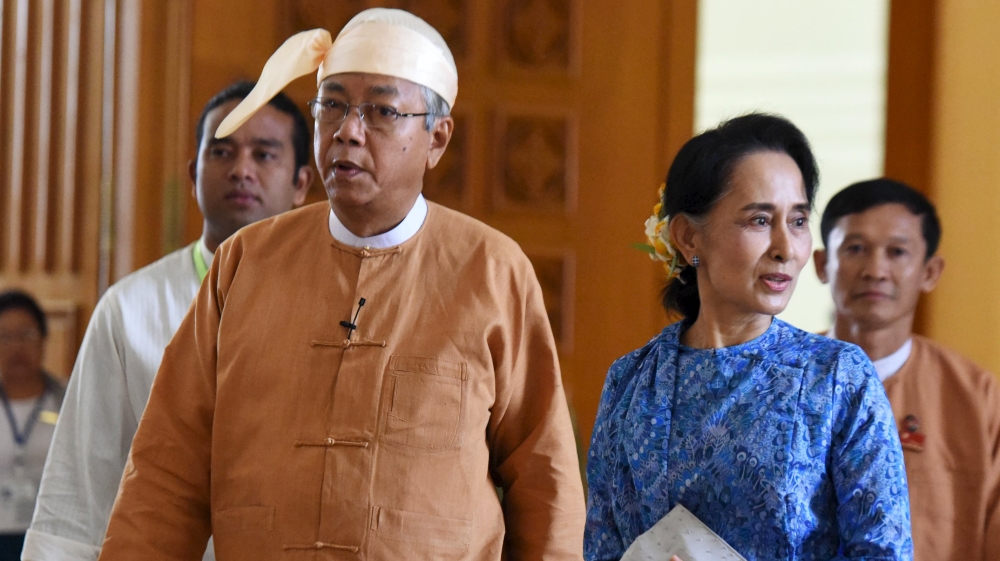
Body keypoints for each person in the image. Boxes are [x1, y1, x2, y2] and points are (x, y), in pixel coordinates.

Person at [96, 8, 584, 561]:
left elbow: (545, 487)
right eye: (332, 105)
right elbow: (166, 472)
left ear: (437, 138)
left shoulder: (493, 272)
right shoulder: (245, 263)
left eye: (380, 111)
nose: (348, 130)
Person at [584, 114, 913, 560]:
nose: (786, 248)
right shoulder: (631, 382)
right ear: (688, 237)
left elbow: (884, 552)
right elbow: (602, 549)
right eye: (760, 220)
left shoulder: (837, 379)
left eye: (797, 221)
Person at [21, 81, 313, 561]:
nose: (241, 169)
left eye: (264, 155)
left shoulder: (337, 307)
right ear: (194, 175)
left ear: (302, 183)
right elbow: (79, 490)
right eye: (222, 151)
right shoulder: (129, 310)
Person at [814, 178, 1000, 561]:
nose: (875, 269)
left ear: (930, 271)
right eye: (855, 249)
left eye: (897, 252)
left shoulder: (977, 398)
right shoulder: (775, 381)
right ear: (821, 264)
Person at [0, 291, 63, 561]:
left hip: (51, 536)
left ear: (44, 340)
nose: (17, 348)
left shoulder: (69, 399)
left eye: (26, 335)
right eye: (4, 337)